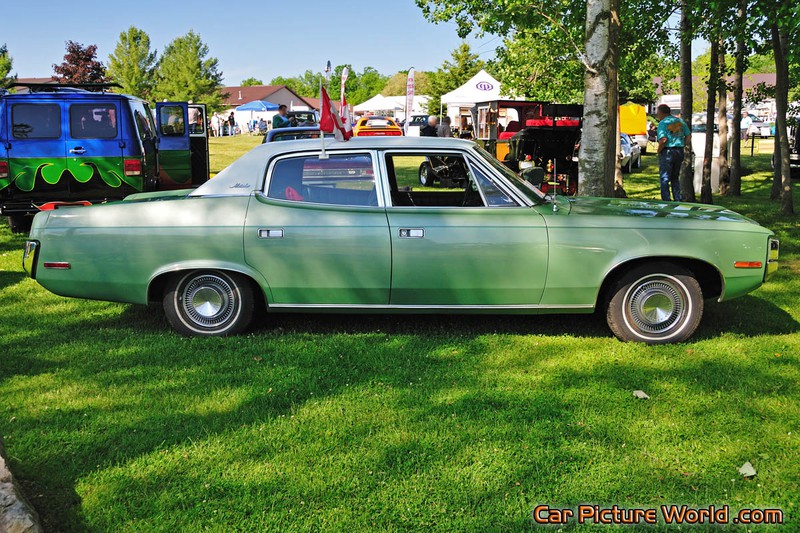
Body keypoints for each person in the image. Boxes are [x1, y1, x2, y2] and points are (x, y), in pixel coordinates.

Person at [655, 104, 691, 202]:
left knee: (664, 177)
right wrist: (683, 145)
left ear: (661, 113)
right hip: (679, 151)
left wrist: (658, 150)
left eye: (657, 113)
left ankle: (666, 200)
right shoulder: (680, 121)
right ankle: (677, 198)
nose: (657, 115)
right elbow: (688, 136)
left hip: (668, 151)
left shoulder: (663, 123)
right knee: (675, 177)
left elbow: (663, 139)